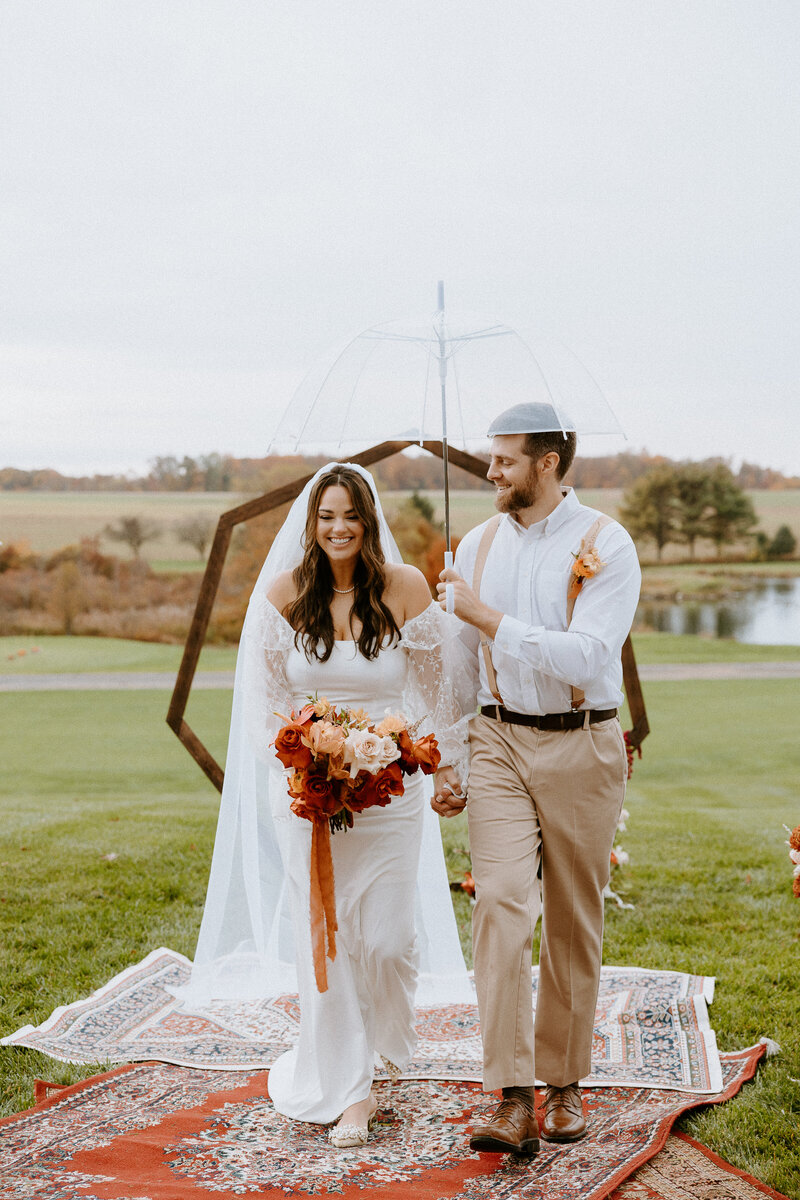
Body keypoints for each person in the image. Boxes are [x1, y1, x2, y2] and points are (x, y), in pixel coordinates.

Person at [182, 463, 471, 1150]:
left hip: (392, 793)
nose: (339, 528)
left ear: (369, 523)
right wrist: (311, 756)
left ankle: (384, 1038)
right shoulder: (284, 594)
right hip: (312, 799)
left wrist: (446, 768)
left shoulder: (404, 589)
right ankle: (350, 1090)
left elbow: (441, 690)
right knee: (331, 942)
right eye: (326, 516)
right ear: (311, 525)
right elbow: (261, 703)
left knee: (388, 940)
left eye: (351, 516)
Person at [435, 402, 641, 1158]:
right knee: (501, 907)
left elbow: (589, 658)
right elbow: (458, 662)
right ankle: (512, 1094)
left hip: (583, 744)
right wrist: (452, 761)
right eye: (492, 459)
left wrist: (486, 615)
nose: (491, 470)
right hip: (497, 742)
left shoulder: (605, 544)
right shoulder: (477, 543)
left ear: (548, 463)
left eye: (506, 459)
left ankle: (564, 1082)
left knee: (572, 918)